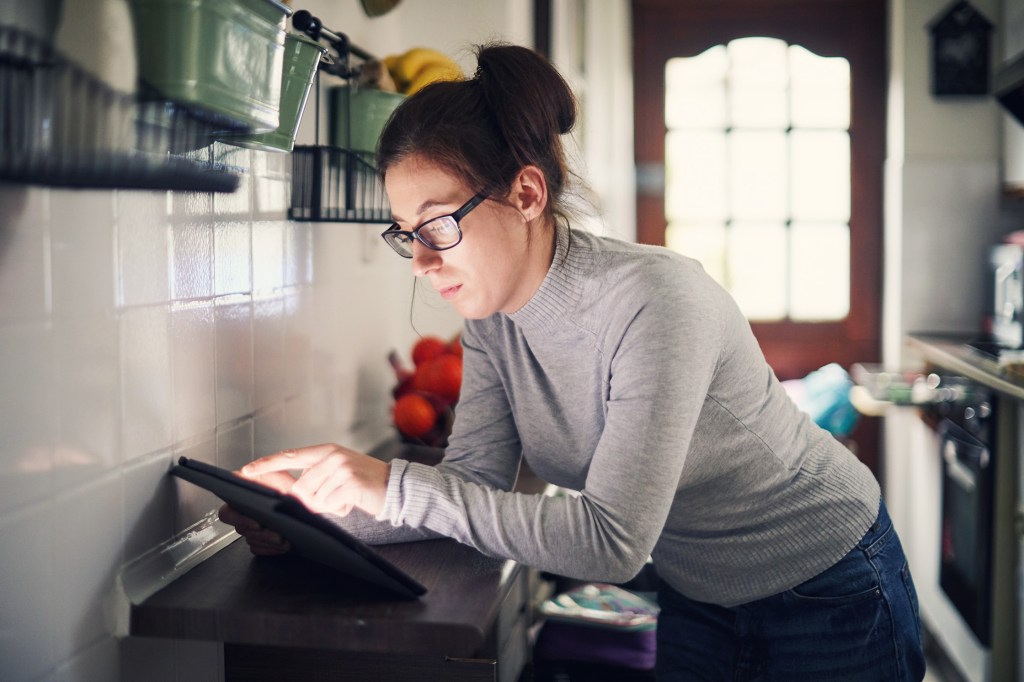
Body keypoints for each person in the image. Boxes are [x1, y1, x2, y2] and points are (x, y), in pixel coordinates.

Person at [219, 43, 925, 680]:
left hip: (831, 586)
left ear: (526, 193)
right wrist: (311, 519)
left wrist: (387, 484)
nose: (423, 262)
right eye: (407, 234)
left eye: (438, 224)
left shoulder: (655, 301)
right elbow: (470, 483)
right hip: (700, 596)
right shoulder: (492, 323)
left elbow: (610, 543)